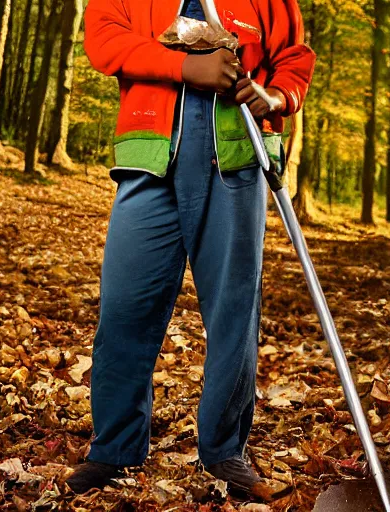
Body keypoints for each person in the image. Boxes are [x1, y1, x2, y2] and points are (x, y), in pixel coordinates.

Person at [66, 0, 315, 496]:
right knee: (125, 306)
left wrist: (276, 96)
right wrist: (184, 66)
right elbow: (104, 39)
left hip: (237, 160)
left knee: (232, 309)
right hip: (149, 159)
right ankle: (114, 449)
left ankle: (224, 453)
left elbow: (293, 56)